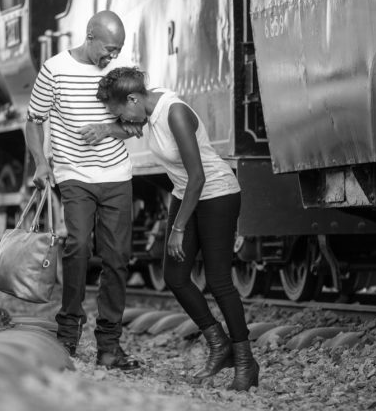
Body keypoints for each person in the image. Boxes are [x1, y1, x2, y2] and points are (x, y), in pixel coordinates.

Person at [96, 67, 260, 391]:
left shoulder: (175, 113)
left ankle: (245, 362)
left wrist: (178, 229)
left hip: (216, 194)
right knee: (175, 276)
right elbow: (130, 126)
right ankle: (219, 344)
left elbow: (198, 175)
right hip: (185, 193)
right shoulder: (146, 113)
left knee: (218, 280)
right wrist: (101, 128)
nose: (123, 119)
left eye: (120, 111)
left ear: (132, 99)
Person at [25, 11, 142, 370]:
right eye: (108, 49)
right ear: (89, 36)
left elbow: (136, 125)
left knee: (118, 258)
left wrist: (106, 130)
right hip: (73, 173)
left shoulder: (117, 74)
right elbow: (33, 122)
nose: (113, 57)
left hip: (116, 175)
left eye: (118, 50)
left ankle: (109, 345)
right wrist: (40, 164)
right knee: (77, 246)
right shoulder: (55, 69)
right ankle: (68, 336)